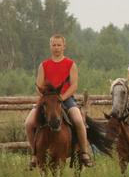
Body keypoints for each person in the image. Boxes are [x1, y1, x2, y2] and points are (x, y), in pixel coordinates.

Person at [25, 34, 93, 168]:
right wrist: (45, 98)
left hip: (65, 98)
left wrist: (61, 98)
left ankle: (84, 152)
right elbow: (38, 86)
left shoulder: (70, 64)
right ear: (50, 46)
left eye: (59, 45)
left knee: (78, 120)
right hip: (47, 100)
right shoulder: (44, 65)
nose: (56, 48)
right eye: (54, 45)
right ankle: (35, 154)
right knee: (28, 123)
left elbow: (74, 85)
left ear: (64, 46)